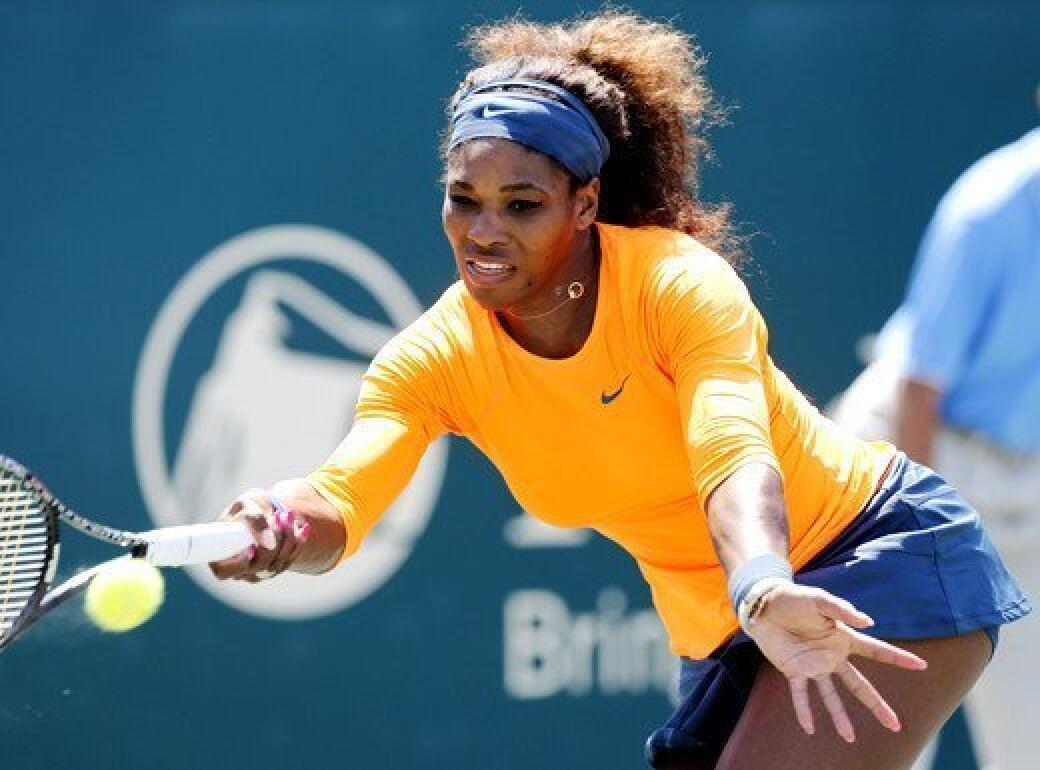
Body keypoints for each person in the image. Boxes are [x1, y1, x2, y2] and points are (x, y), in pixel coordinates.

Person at [207, 12, 1029, 769]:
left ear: (585, 204)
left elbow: (731, 453)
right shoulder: (432, 359)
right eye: (463, 200)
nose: (483, 231)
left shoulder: (677, 285)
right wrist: (278, 519)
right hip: (728, 628)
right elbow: (342, 497)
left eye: (521, 204)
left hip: (873, 556)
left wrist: (762, 581)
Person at [831, 125, 1040, 770]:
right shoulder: (992, 207)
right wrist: (916, 551)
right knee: (885, 734)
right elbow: (920, 390)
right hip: (910, 465)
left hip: (1023, 485)